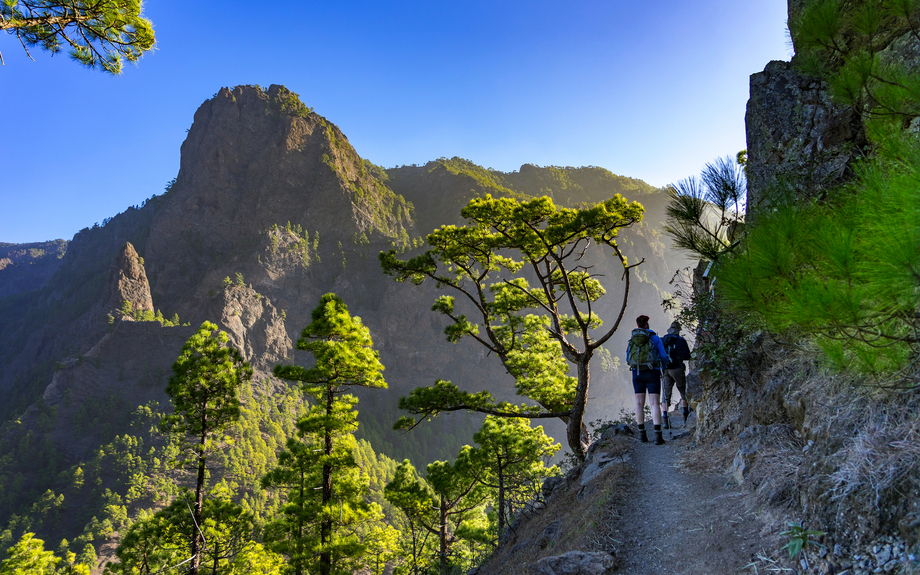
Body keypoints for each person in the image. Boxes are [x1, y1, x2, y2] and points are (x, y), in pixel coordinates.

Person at [626, 315, 669, 445]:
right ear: (647, 325)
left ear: (638, 325)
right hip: (653, 372)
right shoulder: (655, 338)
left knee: (639, 404)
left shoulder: (632, 339)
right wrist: (664, 367)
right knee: (655, 403)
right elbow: (663, 356)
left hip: (637, 373)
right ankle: (657, 436)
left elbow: (628, 357)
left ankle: (642, 435)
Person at [660, 321, 692, 428]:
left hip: (665, 369)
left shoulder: (663, 339)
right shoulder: (681, 340)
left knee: (666, 394)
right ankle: (685, 416)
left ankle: (665, 420)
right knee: (683, 391)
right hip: (677, 369)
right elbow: (687, 356)